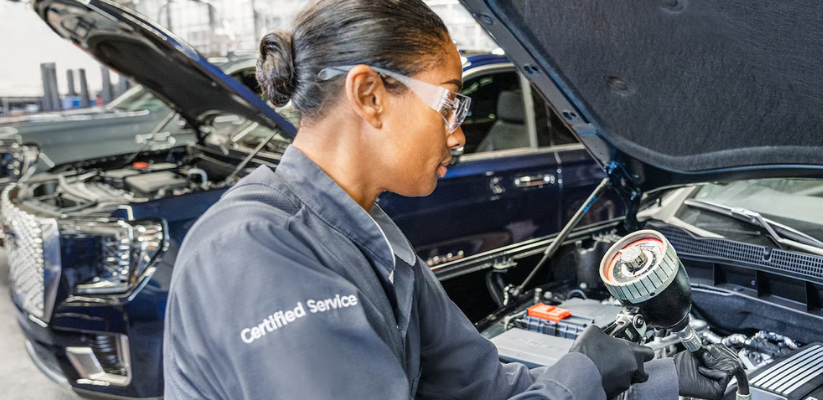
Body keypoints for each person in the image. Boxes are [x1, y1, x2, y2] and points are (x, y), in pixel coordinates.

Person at [163, 0, 738, 398]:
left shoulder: (372, 237)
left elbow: (483, 388)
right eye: (451, 105)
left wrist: (656, 379)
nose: (459, 134)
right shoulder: (258, 254)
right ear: (369, 94)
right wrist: (583, 374)